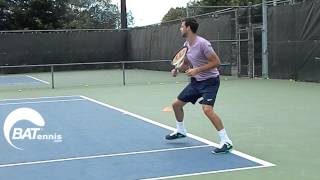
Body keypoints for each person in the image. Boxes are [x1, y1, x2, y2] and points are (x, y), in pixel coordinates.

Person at [165, 18, 233, 154]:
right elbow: (186, 63)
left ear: (188, 28)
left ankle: (226, 141)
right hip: (196, 82)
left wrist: (197, 70)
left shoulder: (203, 44)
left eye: (182, 26)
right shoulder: (187, 44)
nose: (180, 28)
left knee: (207, 110)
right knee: (176, 105)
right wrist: (177, 69)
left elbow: (216, 62)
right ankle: (181, 130)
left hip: (210, 81)